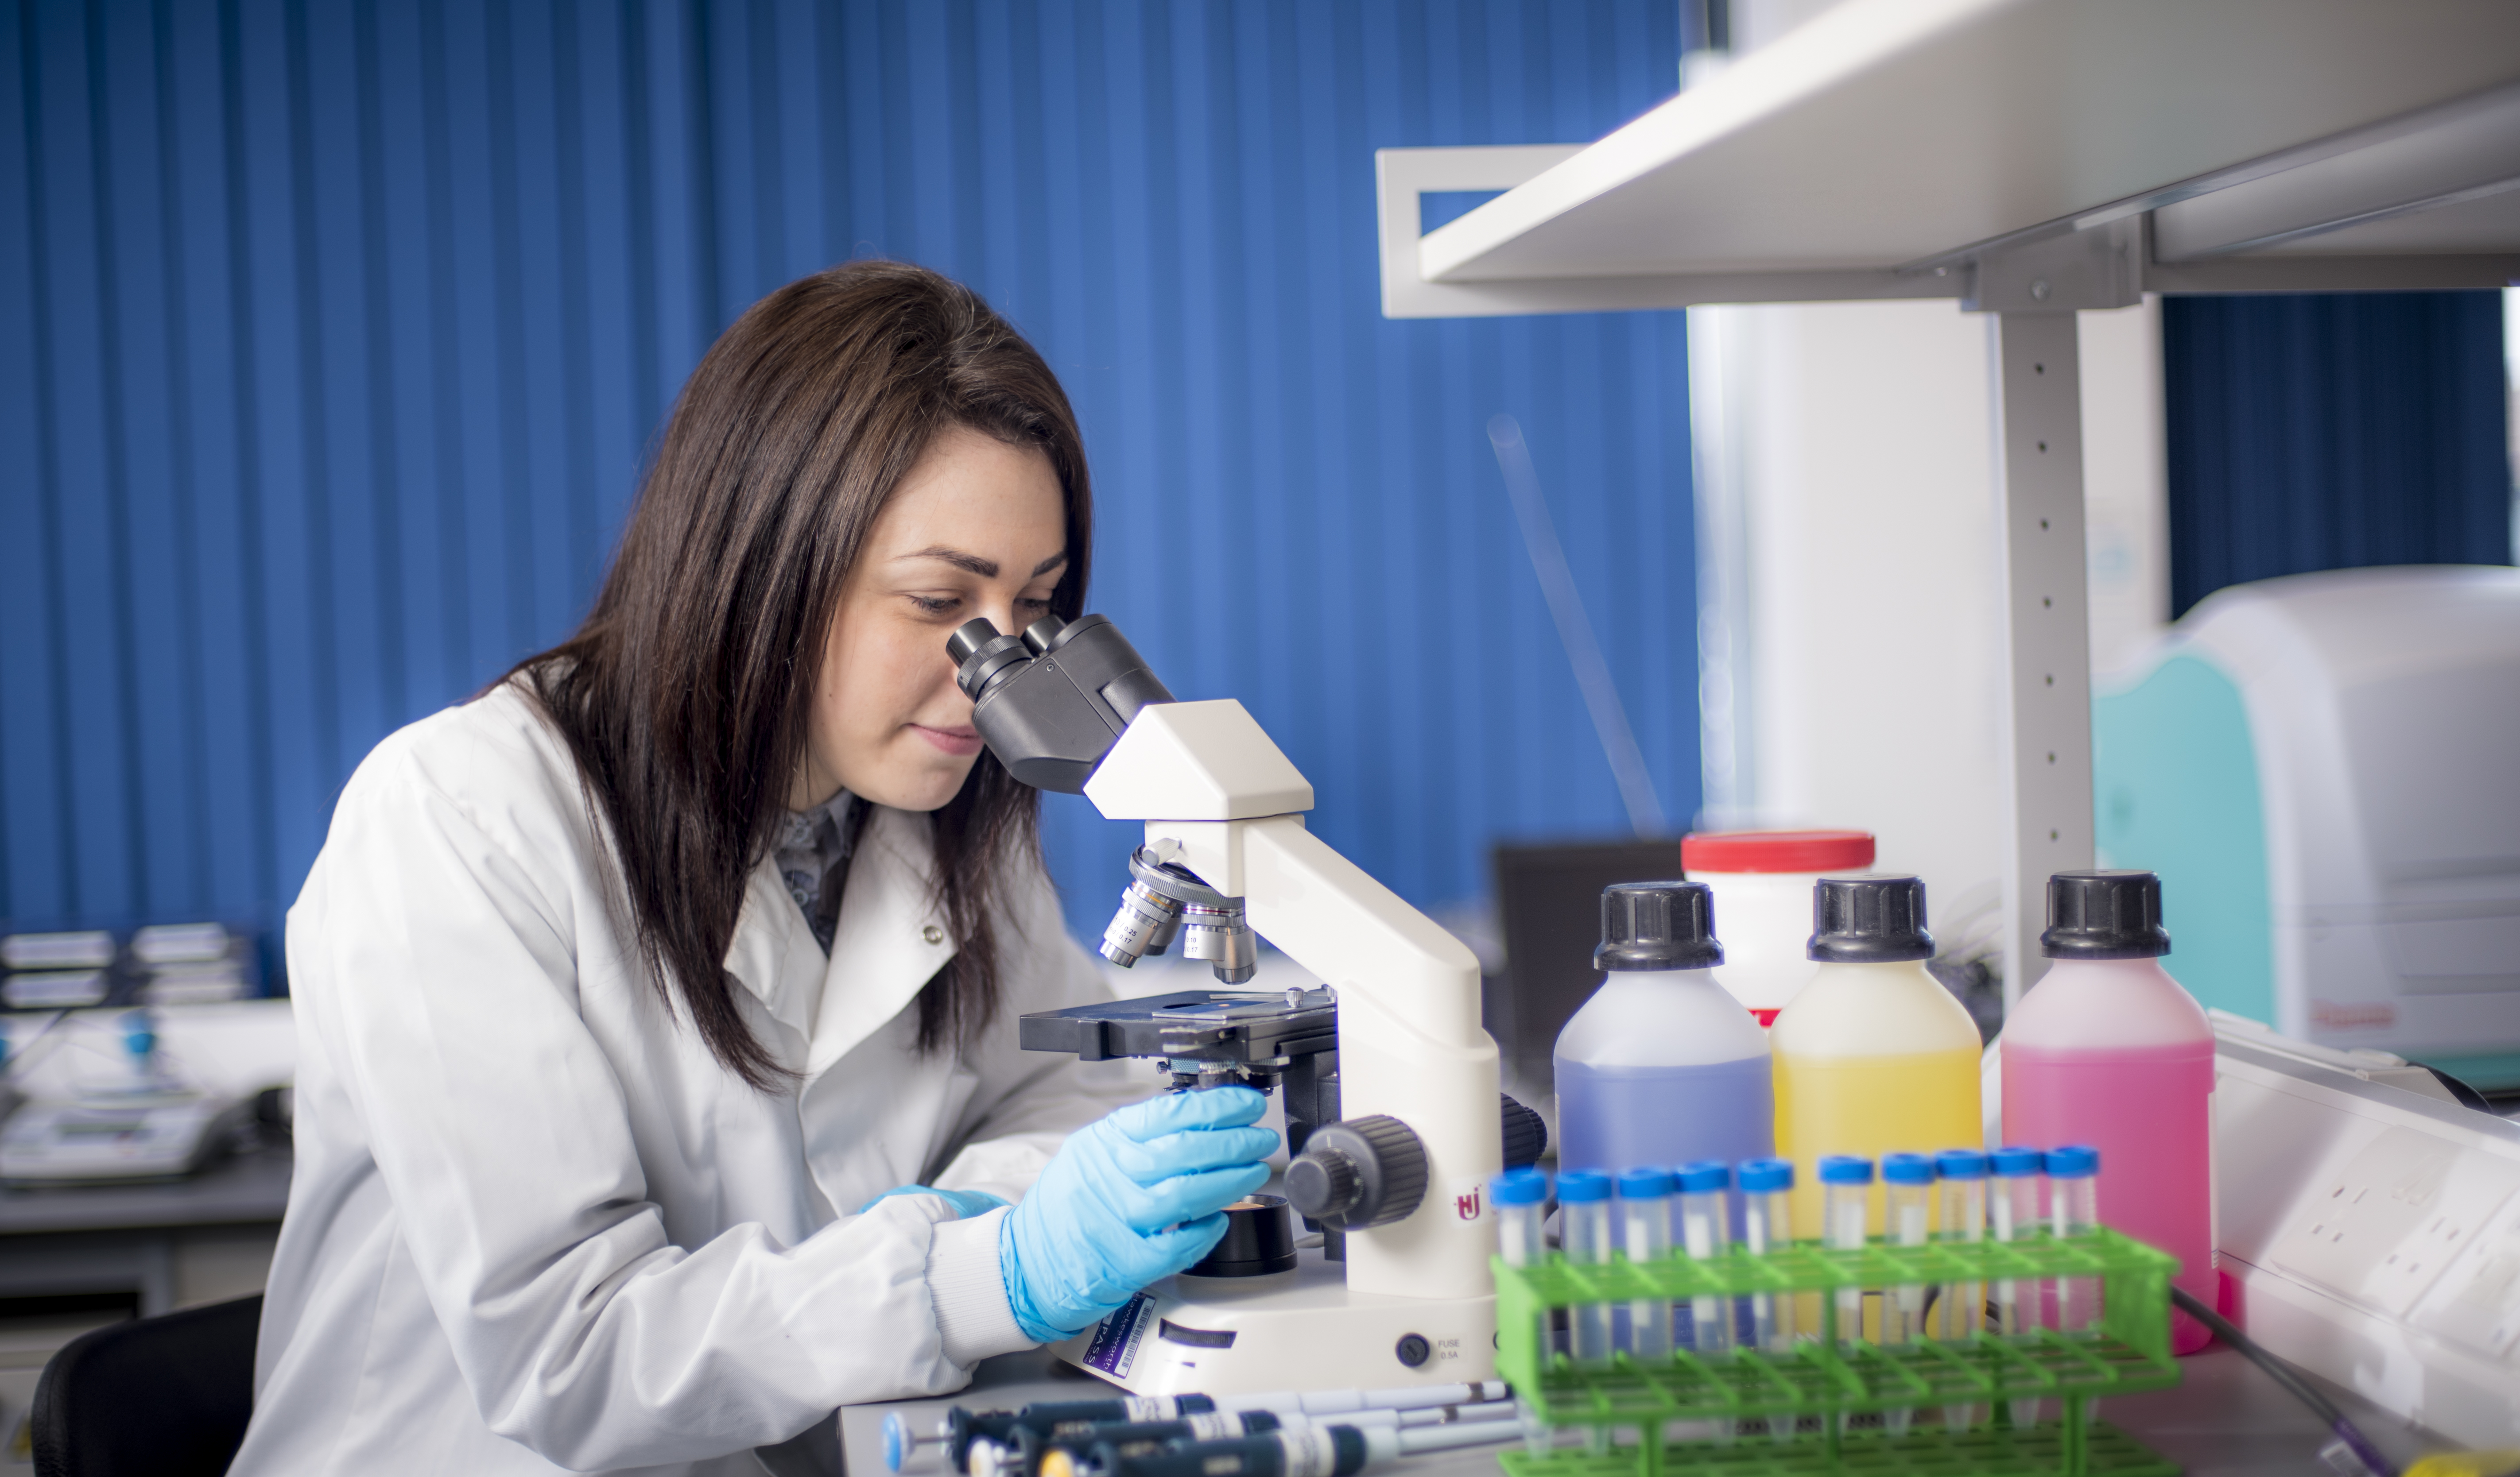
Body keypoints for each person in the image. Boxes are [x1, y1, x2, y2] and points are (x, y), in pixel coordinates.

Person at [233, 263, 1278, 1476]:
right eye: (937, 599)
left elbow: (1055, 1097)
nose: (995, 672)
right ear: (765, 571)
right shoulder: (464, 814)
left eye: (1035, 607)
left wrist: (989, 1219)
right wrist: (984, 1271)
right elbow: (570, 1355)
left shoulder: (943, 813)